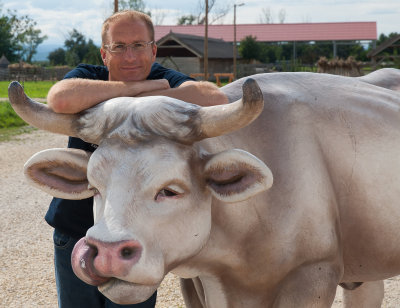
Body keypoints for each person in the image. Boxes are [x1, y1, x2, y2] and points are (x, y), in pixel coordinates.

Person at [45, 9, 228, 308]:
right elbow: (60, 99)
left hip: (138, 233)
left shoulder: (166, 79)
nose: (130, 56)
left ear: (154, 50)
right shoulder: (89, 76)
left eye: (139, 45)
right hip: (77, 229)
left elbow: (215, 98)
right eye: (119, 47)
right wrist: (139, 91)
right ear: (104, 54)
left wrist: (132, 96)